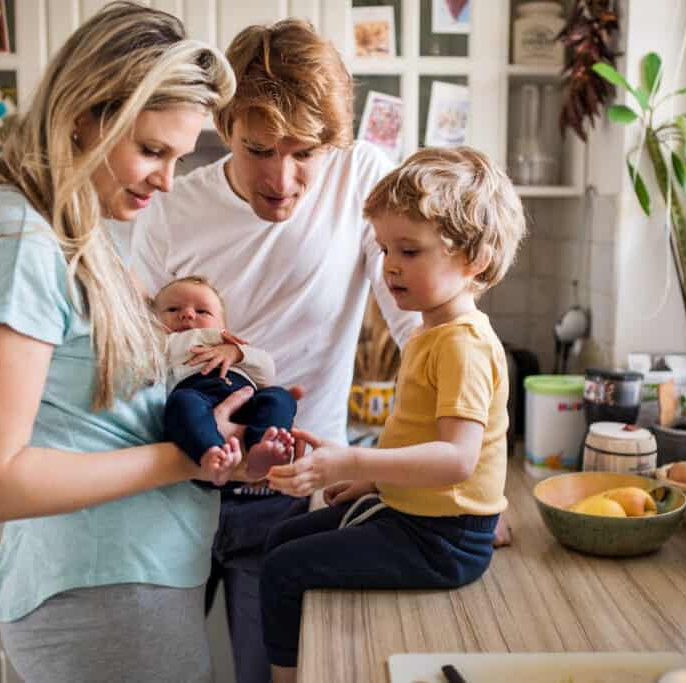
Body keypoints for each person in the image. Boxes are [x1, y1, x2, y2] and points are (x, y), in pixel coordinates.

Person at [0, 4, 243, 681]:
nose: (166, 180)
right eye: (153, 150)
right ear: (83, 112)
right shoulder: (16, 242)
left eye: (179, 156)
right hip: (103, 601)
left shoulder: (75, 228)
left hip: (129, 585)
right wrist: (183, 460)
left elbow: (99, 421)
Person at [130, 18, 421, 683]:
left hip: (293, 502)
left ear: (335, 145)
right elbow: (138, 359)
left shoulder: (362, 182)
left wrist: (461, 475)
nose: (282, 178)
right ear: (224, 126)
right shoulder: (172, 209)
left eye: (304, 152)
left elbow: (422, 331)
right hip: (175, 490)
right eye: (259, 148)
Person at [261, 146, 527, 683]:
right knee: (280, 542)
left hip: (444, 542)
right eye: (384, 249)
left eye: (409, 250)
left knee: (282, 567)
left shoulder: (462, 345)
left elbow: (457, 459)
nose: (389, 267)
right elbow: (419, 436)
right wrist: (377, 486)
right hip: (416, 518)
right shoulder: (433, 334)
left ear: (473, 258)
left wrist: (358, 466)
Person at [153, 275, 298, 484]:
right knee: (181, 404)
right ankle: (210, 453)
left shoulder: (232, 345)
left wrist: (237, 353)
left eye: (202, 311)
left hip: (248, 405)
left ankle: (262, 447)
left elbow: (267, 371)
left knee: (279, 396)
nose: (187, 314)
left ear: (224, 326)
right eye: (173, 309)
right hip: (199, 404)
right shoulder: (163, 345)